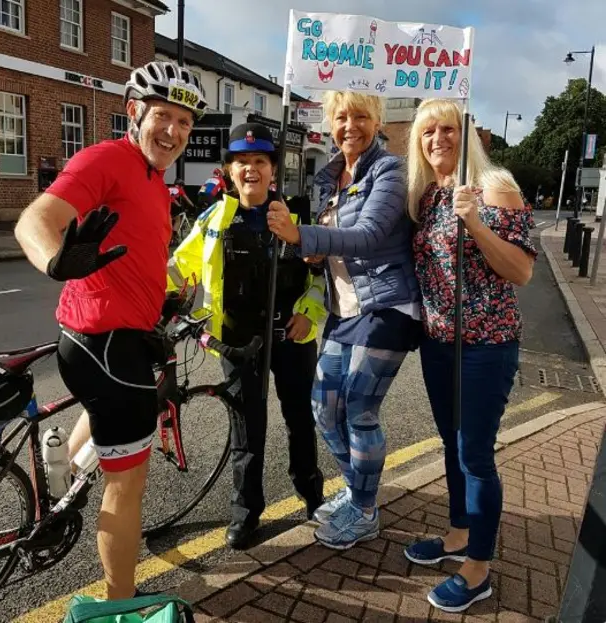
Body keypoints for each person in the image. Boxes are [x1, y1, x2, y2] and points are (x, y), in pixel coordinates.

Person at [14, 61, 208, 600]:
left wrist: (163, 295)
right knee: (128, 485)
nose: (172, 131)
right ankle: (118, 607)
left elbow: (138, 253)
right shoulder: (107, 159)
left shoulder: (152, 178)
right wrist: (55, 260)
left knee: (104, 425)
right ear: (133, 112)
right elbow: (33, 220)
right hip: (104, 343)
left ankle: (60, 483)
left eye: (184, 123)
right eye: (162, 116)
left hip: (111, 336)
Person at [268, 91, 422, 550]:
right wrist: (309, 248)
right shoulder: (328, 177)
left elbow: (370, 235)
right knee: (323, 407)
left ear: (377, 122)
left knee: (358, 407)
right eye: (340, 117)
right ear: (329, 123)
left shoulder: (390, 170)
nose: (349, 125)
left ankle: (366, 510)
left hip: (387, 307)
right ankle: (358, 492)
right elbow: (329, 246)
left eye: (360, 116)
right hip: (343, 309)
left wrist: (302, 234)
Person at [167, 122, 327, 549]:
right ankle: (246, 512)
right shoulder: (213, 218)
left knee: (299, 421)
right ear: (230, 171)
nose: (250, 169)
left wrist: (309, 315)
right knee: (247, 431)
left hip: (291, 337)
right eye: (241, 162)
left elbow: (320, 278)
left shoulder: (296, 216)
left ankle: (312, 495)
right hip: (237, 341)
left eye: (259, 161)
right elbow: (178, 270)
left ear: (273, 170)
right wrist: (157, 305)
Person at [404, 98, 536, 612]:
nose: (438, 139)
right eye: (428, 131)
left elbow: (521, 272)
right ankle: (459, 535)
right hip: (440, 344)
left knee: (475, 456)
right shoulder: (430, 196)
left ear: (469, 134)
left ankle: (478, 567)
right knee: (449, 444)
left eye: (449, 129)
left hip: (487, 345)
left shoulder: (496, 187)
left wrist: (477, 223)